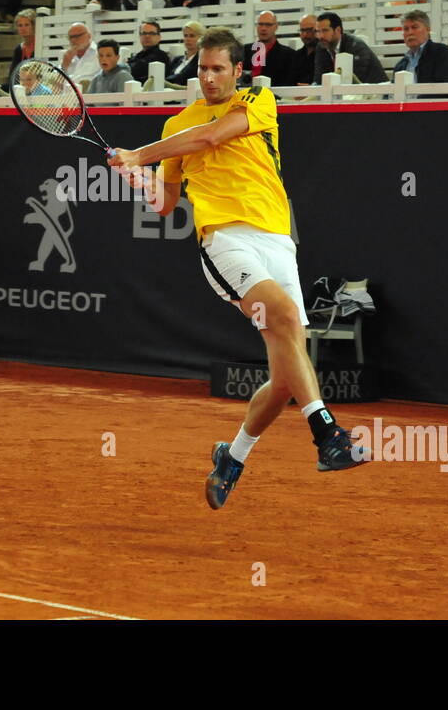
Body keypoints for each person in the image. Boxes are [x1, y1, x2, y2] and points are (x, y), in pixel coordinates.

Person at [107, 26, 369, 511]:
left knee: (287, 375)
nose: (208, 78)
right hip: (225, 240)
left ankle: (233, 457)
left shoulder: (257, 102)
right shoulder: (174, 127)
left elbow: (210, 136)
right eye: (203, 69)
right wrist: (137, 176)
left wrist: (138, 154)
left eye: (218, 69)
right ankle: (327, 436)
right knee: (287, 318)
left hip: (277, 241)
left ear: (237, 71)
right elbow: (165, 204)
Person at [315, 12, 385, 84]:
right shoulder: (321, 47)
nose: (320, 36)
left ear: (338, 30)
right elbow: (319, 79)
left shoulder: (356, 46)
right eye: (318, 31)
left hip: (374, 91)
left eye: (325, 31)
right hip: (343, 92)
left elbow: (353, 81)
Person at [394, 10, 448, 83]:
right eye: (406, 29)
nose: (410, 32)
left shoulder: (441, 53)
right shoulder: (400, 66)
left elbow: (443, 89)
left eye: (414, 27)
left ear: (428, 29)